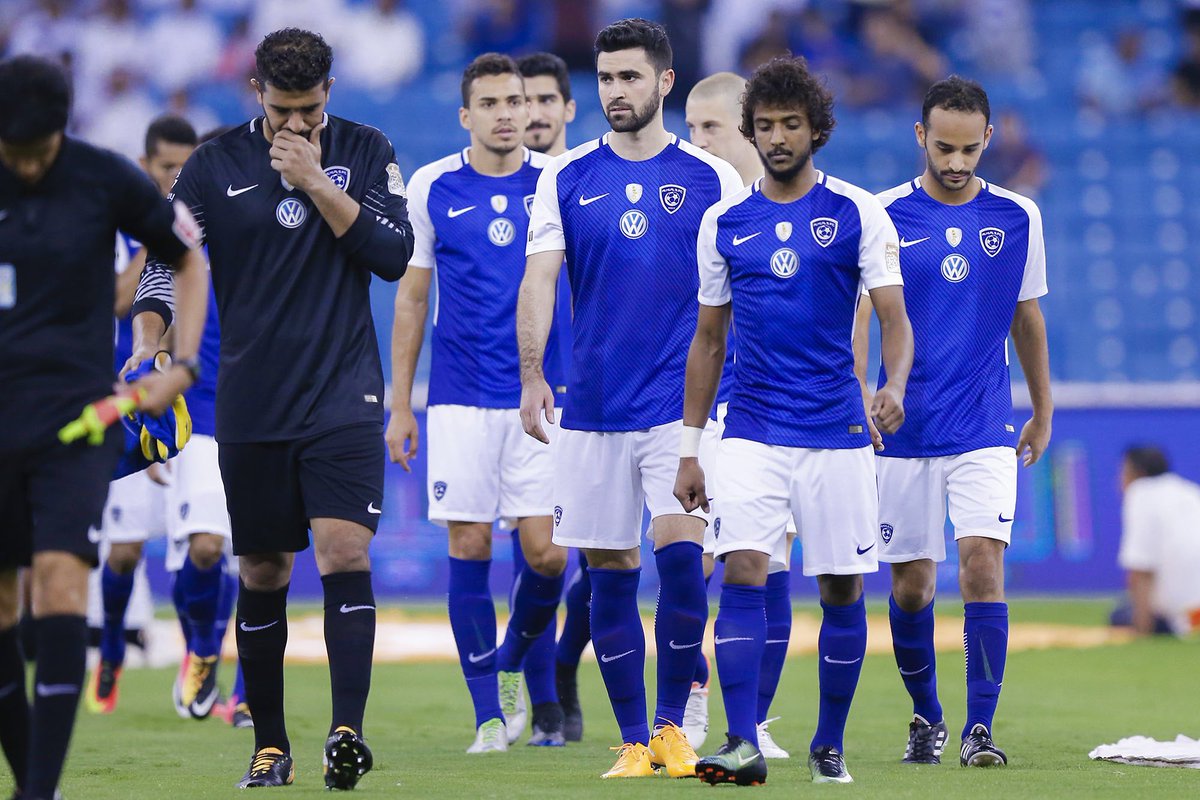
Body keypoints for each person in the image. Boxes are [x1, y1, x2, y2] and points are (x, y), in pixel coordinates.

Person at [132, 28, 413, 789]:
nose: (298, 126)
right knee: (260, 568)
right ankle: (271, 744)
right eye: (285, 111)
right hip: (251, 399)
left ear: (330, 95)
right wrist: (149, 341)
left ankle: (346, 735)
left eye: (312, 110)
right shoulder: (213, 164)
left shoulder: (365, 147)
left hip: (344, 391)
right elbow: (165, 264)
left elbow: (392, 254)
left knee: (344, 552)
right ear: (257, 92)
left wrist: (321, 182)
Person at [676, 55, 912, 786]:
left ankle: (828, 742)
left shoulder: (857, 213)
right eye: (766, 126)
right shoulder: (725, 222)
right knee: (744, 569)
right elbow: (709, 340)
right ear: (752, 131)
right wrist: (690, 448)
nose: (778, 137)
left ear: (817, 130)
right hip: (750, 429)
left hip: (836, 432)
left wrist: (892, 384)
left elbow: (896, 322)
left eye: (791, 124)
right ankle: (741, 740)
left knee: (841, 588)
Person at [518, 17, 742, 780]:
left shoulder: (714, 179)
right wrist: (531, 372)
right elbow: (541, 278)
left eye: (629, 78)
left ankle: (675, 727)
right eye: (606, 80)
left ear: (664, 83)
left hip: (683, 416)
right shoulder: (565, 177)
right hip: (594, 412)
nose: (615, 92)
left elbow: (745, 295)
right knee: (608, 571)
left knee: (683, 566)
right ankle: (633, 743)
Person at [0, 55, 205, 800]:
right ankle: (38, 786)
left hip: (76, 422)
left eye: (36, 151)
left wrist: (178, 365)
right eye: (10, 151)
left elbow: (188, 259)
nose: (24, 164)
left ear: (62, 130)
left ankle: (38, 791)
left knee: (59, 584)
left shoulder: (105, 178)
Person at [854, 75, 1052, 769]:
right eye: (944, 147)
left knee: (980, 568)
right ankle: (927, 715)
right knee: (909, 585)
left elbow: (1027, 318)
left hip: (983, 427)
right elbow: (863, 317)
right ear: (920, 137)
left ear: (988, 139)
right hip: (901, 431)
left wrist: (1042, 409)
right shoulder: (879, 216)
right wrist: (859, 391)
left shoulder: (1018, 217)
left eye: (970, 149)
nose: (957, 162)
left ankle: (979, 730)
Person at [387, 53, 565, 753]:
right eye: (488, 103)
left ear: (529, 111)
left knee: (547, 556)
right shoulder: (433, 186)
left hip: (541, 398)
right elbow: (411, 297)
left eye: (513, 102)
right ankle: (487, 715)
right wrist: (402, 405)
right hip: (460, 396)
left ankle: (512, 661)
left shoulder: (558, 184)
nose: (503, 113)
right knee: (466, 542)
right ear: (467, 115)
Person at [85, 116, 245, 728]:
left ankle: (224, 668)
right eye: (167, 166)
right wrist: (160, 238)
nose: (178, 176)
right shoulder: (128, 232)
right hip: (149, 401)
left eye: (189, 165)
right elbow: (125, 304)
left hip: (249, 401)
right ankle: (113, 658)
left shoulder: (234, 221)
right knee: (126, 551)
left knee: (230, 551)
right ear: (145, 165)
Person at [683, 69, 799, 759]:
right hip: (703, 412)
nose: (698, 142)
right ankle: (692, 707)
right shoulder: (698, 211)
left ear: (752, 128)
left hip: (775, 412)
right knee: (693, 565)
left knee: (770, 564)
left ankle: (750, 722)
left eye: (712, 128)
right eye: (690, 128)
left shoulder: (802, 205)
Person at [513, 50, 587, 744]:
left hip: (598, 390)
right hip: (527, 394)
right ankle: (542, 704)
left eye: (544, 99)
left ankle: (562, 663)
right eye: (519, 98)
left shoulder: (590, 180)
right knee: (538, 553)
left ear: (568, 108)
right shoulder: (494, 183)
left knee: (604, 559)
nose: (530, 111)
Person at [1113, 446, 1200, 637]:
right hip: (1197, 616)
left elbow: (1142, 567)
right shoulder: (1190, 491)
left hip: (1184, 619)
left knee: (1119, 615)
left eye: (1123, 471)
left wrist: (1142, 629)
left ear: (1138, 473)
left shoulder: (1140, 494)